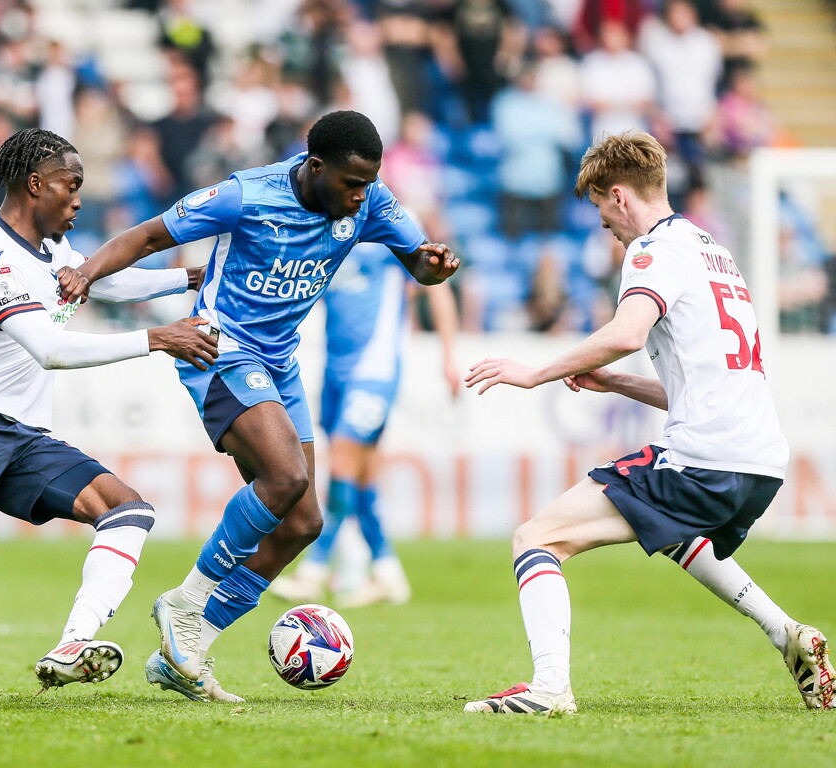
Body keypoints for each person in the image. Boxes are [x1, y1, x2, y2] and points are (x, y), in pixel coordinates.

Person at [57, 110, 459, 703]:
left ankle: (187, 648)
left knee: (303, 522)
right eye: (351, 183)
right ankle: (183, 603)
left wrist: (434, 267)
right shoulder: (246, 195)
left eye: (369, 182)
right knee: (285, 476)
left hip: (281, 365)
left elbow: (418, 264)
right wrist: (85, 272)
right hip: (219, 348)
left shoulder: (371, 202)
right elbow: (148, 236)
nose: (362, 194)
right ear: (316, 168)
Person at [463, 130, 834, 715]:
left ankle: (550, 688)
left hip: (706, 457)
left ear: (619, 196)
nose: (605, 228)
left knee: (536, 538)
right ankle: (787, 633)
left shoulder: (653, 250)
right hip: (759, 462)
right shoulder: (712, 250)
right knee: (674, 529)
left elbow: (627, 332)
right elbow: (696, 388)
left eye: (602, 213)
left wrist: (533, 372)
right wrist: (613, 381)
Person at [0, 128, 218, 690]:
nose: (79, 198)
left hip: (21, 436)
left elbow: (102, 285)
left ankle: (72, 643)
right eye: (71, 185)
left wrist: (189, 278)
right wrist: (157, 338)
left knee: (128, 511)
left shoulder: (51, 250)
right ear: (35, 185)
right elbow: (52, 350)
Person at [269, 237, 460, 607]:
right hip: (334, 371)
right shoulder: (327, 230)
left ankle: (314, 570)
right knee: (360, 474)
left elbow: (436, 286)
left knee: (342, 460)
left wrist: (449, 354)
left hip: (375, 369)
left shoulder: (394, 225)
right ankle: (388, 573)